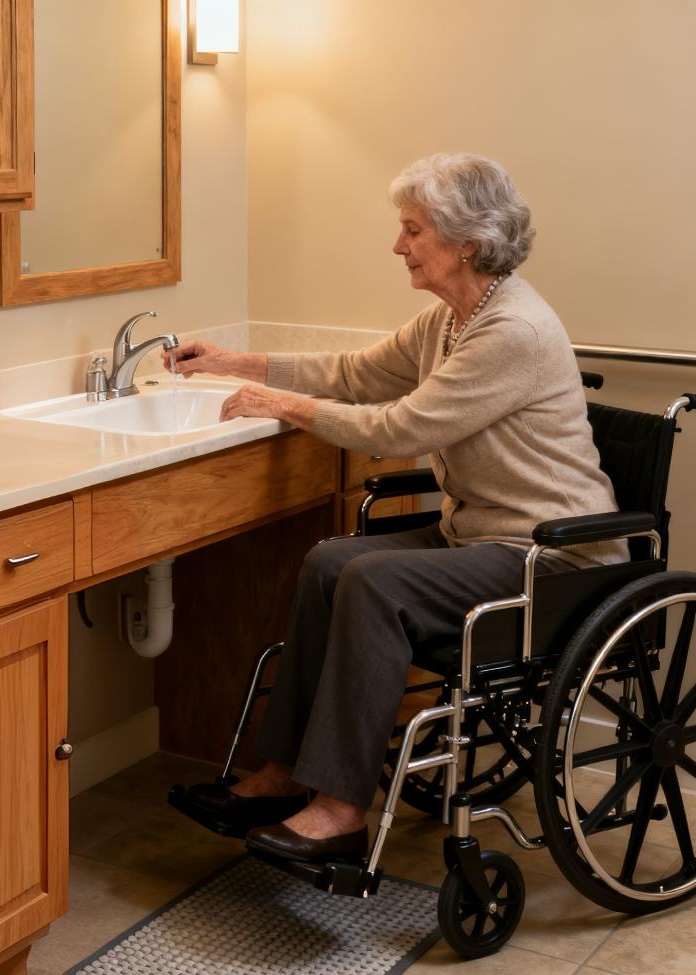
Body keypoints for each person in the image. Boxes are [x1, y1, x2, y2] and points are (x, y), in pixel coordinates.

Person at [164, 152, 626, 865]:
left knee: (375, 581)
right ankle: (287, 774)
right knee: (329, 561)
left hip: (552, 557)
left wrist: (283, 405)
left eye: (413, 231)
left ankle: (343, 809)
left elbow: (400, 428)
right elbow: (355, 374)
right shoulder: (448, 321)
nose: (397, 245)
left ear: (465, 242)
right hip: (476, 539)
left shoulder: (513, 331)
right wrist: (234, 361)